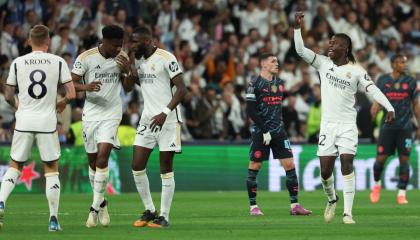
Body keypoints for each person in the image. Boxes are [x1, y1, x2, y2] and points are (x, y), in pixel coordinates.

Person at [294, 12, 395, 224]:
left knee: (347, 163)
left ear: (345, 48)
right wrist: (297, 29)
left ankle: (348, 213)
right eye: (329, 43)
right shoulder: (322, 63)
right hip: (327, 125)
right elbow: (300, 50)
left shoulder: (356, 71)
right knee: (324, 172)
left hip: (348, 125)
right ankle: (332, 199)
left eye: (334, 44)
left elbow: (373, 89)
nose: (329, 46)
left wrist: (389, 107)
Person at [0, 24, 75, 231]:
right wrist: (62, 104)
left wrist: (18, 107)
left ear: (29, 41)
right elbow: (71, 93)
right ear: (48, 41)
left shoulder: (17, 62)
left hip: (23, 120)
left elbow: (7, 94)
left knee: (15, 165)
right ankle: (53, 220)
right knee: (51, 170)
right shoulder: (58, 61)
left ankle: (1, 203)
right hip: (47, 122)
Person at [71, 24, 135, 228]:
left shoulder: (122, 58)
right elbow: (70, 85)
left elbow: (129, 88)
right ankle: (102, 203)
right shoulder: (85, 58)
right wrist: (86, 87)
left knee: (102, 158)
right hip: (91, 114)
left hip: (111, 114)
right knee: (92, 163)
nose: (119, 49)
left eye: (121, 45)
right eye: (116, 45)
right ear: (104, 41)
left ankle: (93, 209)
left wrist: (127, 72)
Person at [129, 26, 186, 228]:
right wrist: (129, 69)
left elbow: (182, 88)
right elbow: (138, 85)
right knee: (137, 165)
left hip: (168, 119)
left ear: (146, 41)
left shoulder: (165, 57)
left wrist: (165, 112)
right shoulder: (137, 59)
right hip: (147, 119)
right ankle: (150, 209)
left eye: (134, 41)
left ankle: (164, 216)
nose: (131, 44)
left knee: (165, 168)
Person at [245, 52, 312, 217]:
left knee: (290, 164)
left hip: (279, 132)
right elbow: (250, 111)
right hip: (261, 132)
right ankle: (253, 206)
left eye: (277, 60)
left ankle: (295, 205)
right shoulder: (254, 84)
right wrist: (264, 130)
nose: (277, 63)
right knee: (255, 166)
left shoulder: (279, 83)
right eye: (273, 61)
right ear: (263, 64)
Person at [370, 54, 420, 205]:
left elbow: (416, 104)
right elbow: (378, 101)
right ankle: (377, 185)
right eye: (400, 62)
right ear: (392, 64)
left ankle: (401, 193)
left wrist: (419, 125)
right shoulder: (383, 80)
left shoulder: (411, 81)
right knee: (380, 161)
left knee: (404, 161)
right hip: (387, 127)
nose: (404, 65)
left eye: (405, 62)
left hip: (405, 128)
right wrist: (374, 109)